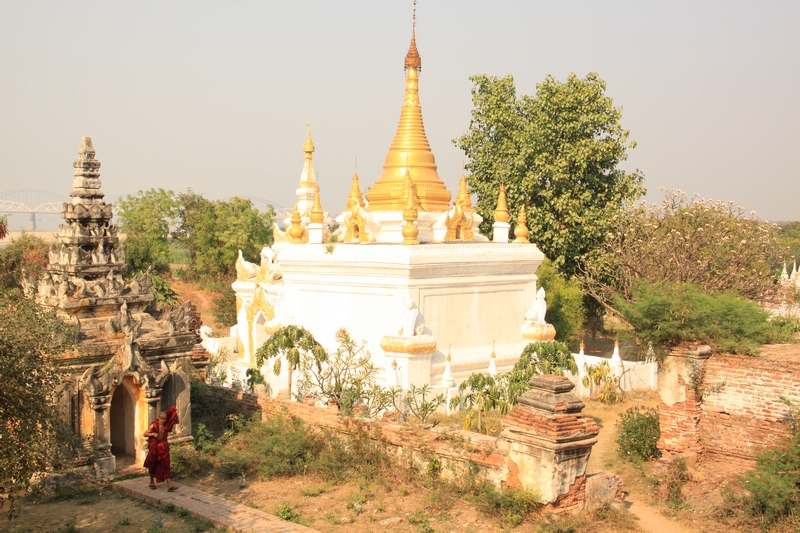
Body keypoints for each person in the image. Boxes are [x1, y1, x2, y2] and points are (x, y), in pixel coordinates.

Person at [143, 405, 178, 491]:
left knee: (166, 465)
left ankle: (169, 485)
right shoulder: (154, 425)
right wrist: (152, 434)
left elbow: (177, 421)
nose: (162, 421)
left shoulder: (166, 425)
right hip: (155, 448)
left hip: (163, 448)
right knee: (153, 464)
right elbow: (145, 434)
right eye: (161, 419)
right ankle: (151, 482)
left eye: (164, 419)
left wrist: (175, 414)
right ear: (158, 418)